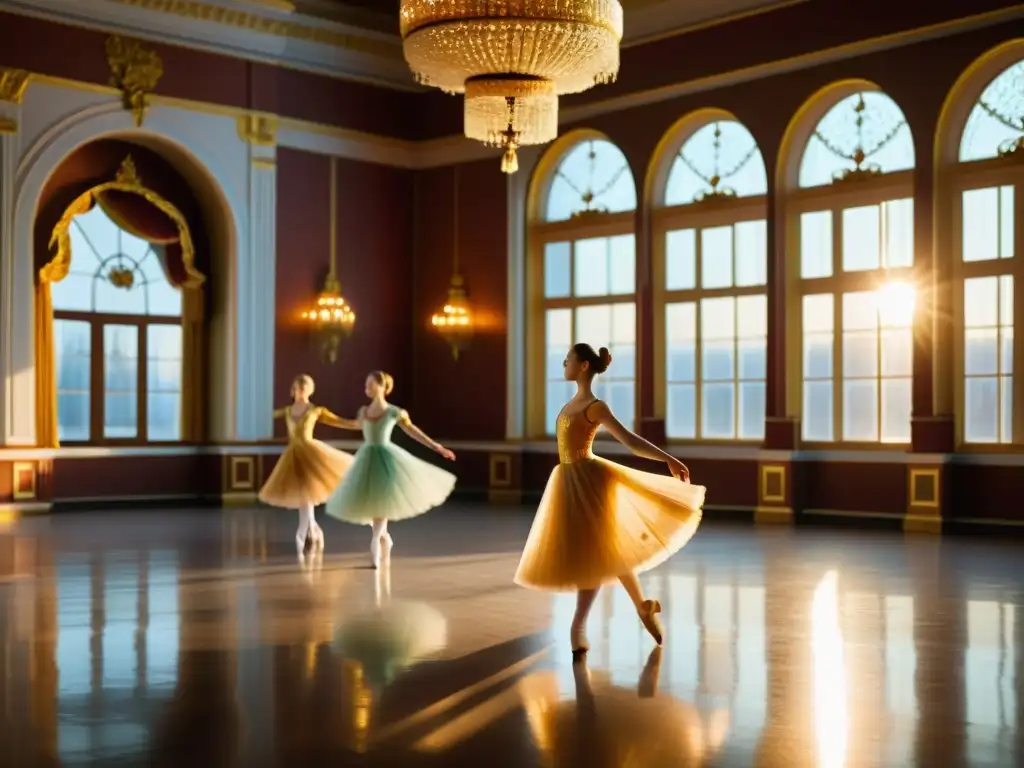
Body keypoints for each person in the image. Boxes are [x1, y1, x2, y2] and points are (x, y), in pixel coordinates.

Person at [514, 343, 705, 656]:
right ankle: (643, 606)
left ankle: (578, 626)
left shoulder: (595, 406)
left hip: (590, 481)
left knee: (594, 552)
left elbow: (630, 441)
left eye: (569, 360)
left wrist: (667, 458)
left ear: (584, 366)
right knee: (603, 551)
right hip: (567, 480)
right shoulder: (571, 402)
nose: (564, 363)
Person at [325, 371, 456, 568]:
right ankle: (384, 538)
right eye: (366, 384)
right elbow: (352, 424)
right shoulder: (364, 412)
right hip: (366, 461)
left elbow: (413, 431)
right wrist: (326, 418)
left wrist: (436, 446)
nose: (366, 387)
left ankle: (376, 544)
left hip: (386, 460)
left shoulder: (395, 412)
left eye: (370, 384)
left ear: (381, 386)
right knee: (372, 506)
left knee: (381, 505)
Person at [259, 374, 360, 554]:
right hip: (292, 455)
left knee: (307, 494)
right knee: (304, 495)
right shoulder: (287, 411)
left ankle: (305, 531)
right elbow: (265, 415)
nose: (301, 391)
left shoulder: (315, 410)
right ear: (294, 390)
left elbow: (338, 422)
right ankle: (313, 530)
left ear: (310, 390)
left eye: (304, 388)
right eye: (298, 387)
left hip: (311, 453)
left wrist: (362, 424)